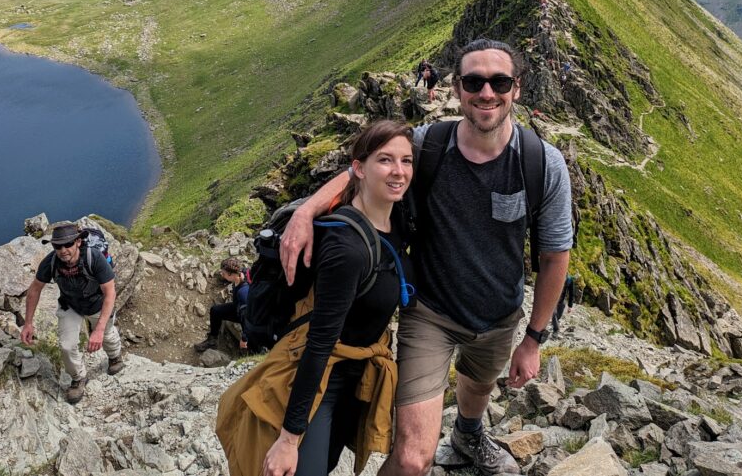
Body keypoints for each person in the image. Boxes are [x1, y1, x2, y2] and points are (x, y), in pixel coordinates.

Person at [281, 38, 573, 476]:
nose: (487, 92)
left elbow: (555, 256)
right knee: (415, 457)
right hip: (429, 313)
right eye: (474, 81)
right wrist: (306, 212)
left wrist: (533, 339)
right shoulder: (427, 145)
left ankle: (468, 433)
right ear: (457, 88)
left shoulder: (542, 164)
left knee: (478, 384)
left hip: (500, 315)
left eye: (499, 81)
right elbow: (359, 171)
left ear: (518, 88)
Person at [217, 119, 415, 476]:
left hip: (359, 371)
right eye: (385, 160)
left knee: (324, 465)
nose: (399, 171)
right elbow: (320, 344)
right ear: (358, 168)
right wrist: (289, 440)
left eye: (406, 160)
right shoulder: (347, 250)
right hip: (326, 375)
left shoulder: (396, 212)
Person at [20, 223, 124, 404]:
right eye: (57, 246)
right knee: (67, 346)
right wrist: (28, 323)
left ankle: (115, 357)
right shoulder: (51, 262)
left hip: (98, 303)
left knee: (106, 334)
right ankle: (78, 378)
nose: (62, 250)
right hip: (71, 305)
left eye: (67, 244)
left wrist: (97, 330)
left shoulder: (94, 258)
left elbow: (110, 292)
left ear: (78, 242)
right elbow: (34, 290)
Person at [195, 257, 250, 352]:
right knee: (215, 311)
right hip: (238, 307)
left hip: (248, 316)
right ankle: (212, 341)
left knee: (248, 346)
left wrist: (244, 338)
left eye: (223, 273)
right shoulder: (240, 275)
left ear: (231, 274)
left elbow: (249, 318)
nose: (222, 275)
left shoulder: (243, 292)